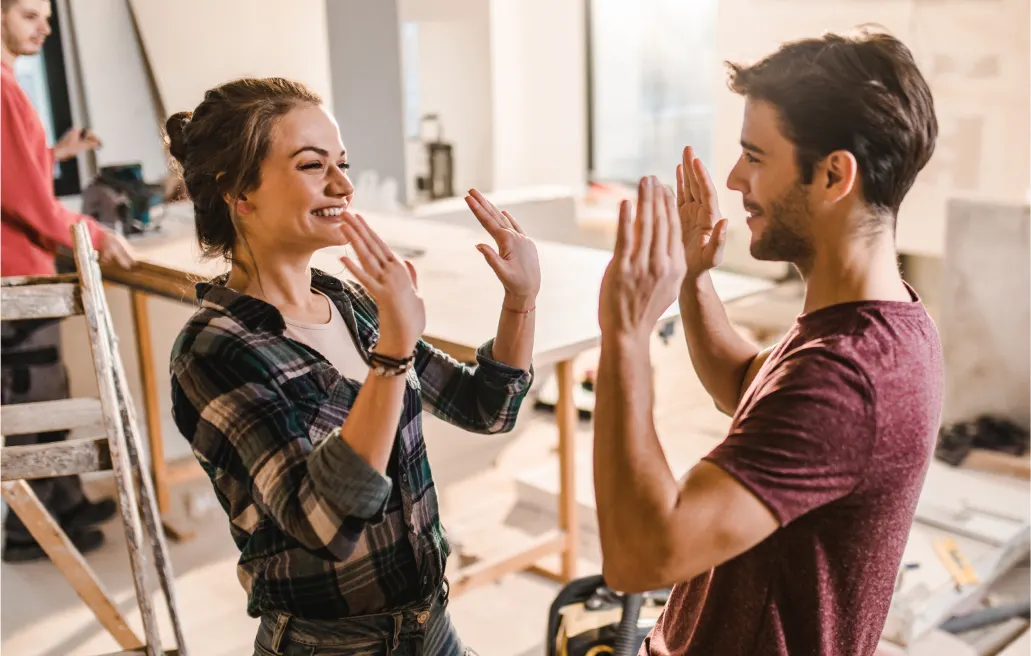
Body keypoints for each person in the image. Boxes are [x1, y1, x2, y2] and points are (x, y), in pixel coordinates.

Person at [592, 29, 942, 655]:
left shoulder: (847, 377)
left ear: (833, 175)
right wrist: (694, 278)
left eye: (755, 157)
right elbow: (744, 386)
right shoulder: (882, 322)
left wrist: (625, 333)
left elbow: (640, 556)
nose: (733, 179)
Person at [166, 77, 539, 655]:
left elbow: (486, 408)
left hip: (431, 627)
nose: (343, 184)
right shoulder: (215, 350)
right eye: (313, 165)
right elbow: (325, 522)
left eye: (342, 163)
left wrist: (521, 301)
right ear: (238, 193)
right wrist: (393, 354)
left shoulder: (350, 303)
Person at [1, 0, 136, 562]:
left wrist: (58, 152)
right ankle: (25, 533)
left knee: (49, 387)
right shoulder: (2, 89)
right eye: (30, 15)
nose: (45, 27)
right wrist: (97, 234)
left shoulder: (9, 85)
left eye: (47, 17)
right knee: (32, 398)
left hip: (26, 271)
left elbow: (16, 174)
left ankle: (65, 504)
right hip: (14, 276)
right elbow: (29, 201)